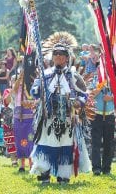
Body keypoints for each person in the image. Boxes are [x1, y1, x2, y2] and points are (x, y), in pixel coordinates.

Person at [30, 43, 90, 185]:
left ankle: (63, 176)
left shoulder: (73, 75)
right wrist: (38, 89)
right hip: (48, 117)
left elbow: (84, 94)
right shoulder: (45, 74)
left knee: (65, 146)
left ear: (67, 58)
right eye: (55, 54)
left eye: (61, 55)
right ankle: (44, 175)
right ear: (52, 57)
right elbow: (34, 91)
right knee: (45, 144)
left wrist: (78, 103)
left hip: (67, 118)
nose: (58, 57)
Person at [89, 73, 115, 175]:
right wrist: (100, 85)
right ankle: (96, 168)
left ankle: (106, 168)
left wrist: (111, 98)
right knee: (96, 143)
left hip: (109, 115)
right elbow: (91, 95)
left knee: (108, 143)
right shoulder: (95, 80)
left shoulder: (115, 80)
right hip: (97, 115)